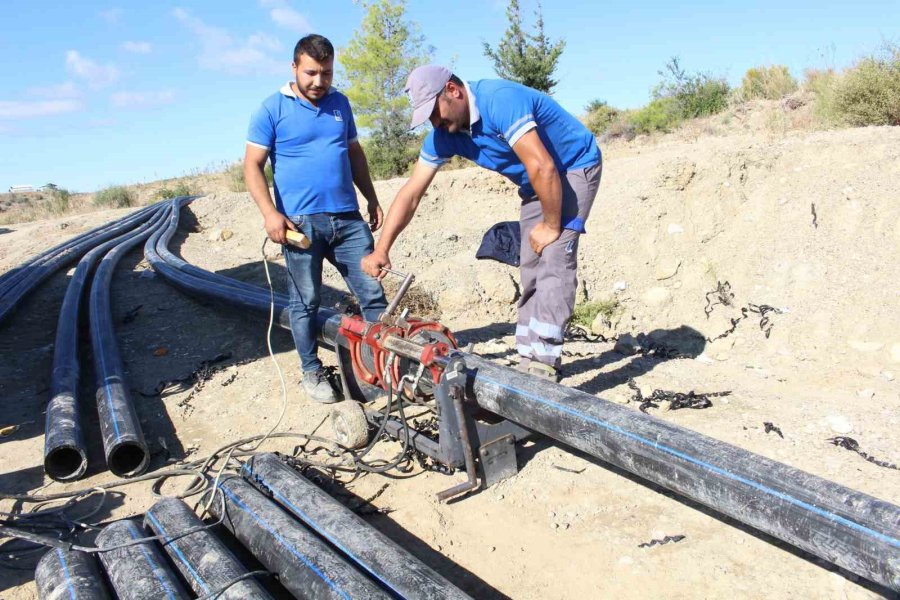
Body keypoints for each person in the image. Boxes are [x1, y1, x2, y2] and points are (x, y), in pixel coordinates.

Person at [361, 65, 602, 382]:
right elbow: (411, 194)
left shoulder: (500, 100)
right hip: (536, 181)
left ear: (453, 90)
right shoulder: (445, 135)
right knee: (531, 263)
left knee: (554, 256)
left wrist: (552, 225)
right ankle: (529, 357)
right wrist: (382, 248)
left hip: (573, 167)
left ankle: (543, 363)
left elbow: (543, 165)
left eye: (435, 113)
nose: (435, 123)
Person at [245, 34, 387, 403]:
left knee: (372, 293)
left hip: (348, 221)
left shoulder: (340, 103)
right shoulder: (272, 109)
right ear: (294, 67)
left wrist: (371, 197)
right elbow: (252, 166)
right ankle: (311, 370)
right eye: (311, 73)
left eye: (326, 73)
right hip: (300, 225)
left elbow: (354, 153)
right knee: (306, 300)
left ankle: (382, 365)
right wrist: (270, 213)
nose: (319, 81)